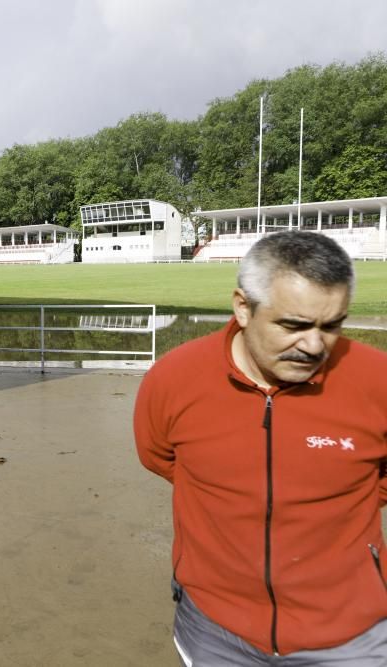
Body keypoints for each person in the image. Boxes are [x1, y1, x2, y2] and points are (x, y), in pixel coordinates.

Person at [134, 231, 387, 665]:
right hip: (216, 629)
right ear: (243, 307)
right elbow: (160, 457)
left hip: (350, 635)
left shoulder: (377, 380)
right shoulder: (173, 379)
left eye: (331, 326)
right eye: (293, 325)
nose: (313, 346)